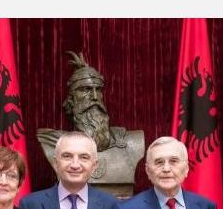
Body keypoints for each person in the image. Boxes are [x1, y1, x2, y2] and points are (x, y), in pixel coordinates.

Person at [35, 52, 144, 197]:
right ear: (71, 99)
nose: (94, 97)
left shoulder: (132, 141)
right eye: (85, 90)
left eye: (98, 90)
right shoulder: (50, 141)